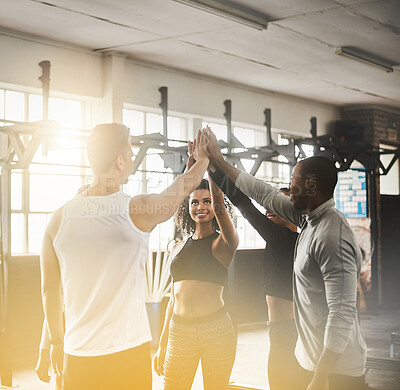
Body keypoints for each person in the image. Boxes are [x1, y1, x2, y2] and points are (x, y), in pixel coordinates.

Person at [40, 123, 210, 390]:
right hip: (128, 353)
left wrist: (54, 343)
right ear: (119, 161)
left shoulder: (58, 219)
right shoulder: (136, 209)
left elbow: (50, 290)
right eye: (130, 156)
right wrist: (203, 160)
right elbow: (176, 194)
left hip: (77, 353)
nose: (132, 161)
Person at [203, 128, 367, 390]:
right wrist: (219, 163)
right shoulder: (309, 219)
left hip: (337, 373)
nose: (289, 187)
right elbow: (263, 193)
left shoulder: (332, 235)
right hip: (308, 362)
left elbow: (342, 313)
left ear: (311, 185)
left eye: (294, 180)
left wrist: (322, 375)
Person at [153, 141, 239, 390]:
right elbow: (173, 299)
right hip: (179, 331)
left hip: (216, 329)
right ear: (187, 207)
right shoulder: (177, 246)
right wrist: (162, 344)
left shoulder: (224, 243)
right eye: (194, 202)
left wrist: (210, 168)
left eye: (206, 202)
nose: (200, 206)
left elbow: (222, 209)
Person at [209, 166, 298, 390]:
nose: (269, 209)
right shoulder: (291, 240)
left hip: (287, 331)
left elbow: (245, 205)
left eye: (278, 205)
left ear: (292, 210)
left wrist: (215, 170)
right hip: (286, 329)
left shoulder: (282, 238)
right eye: (269, 204)